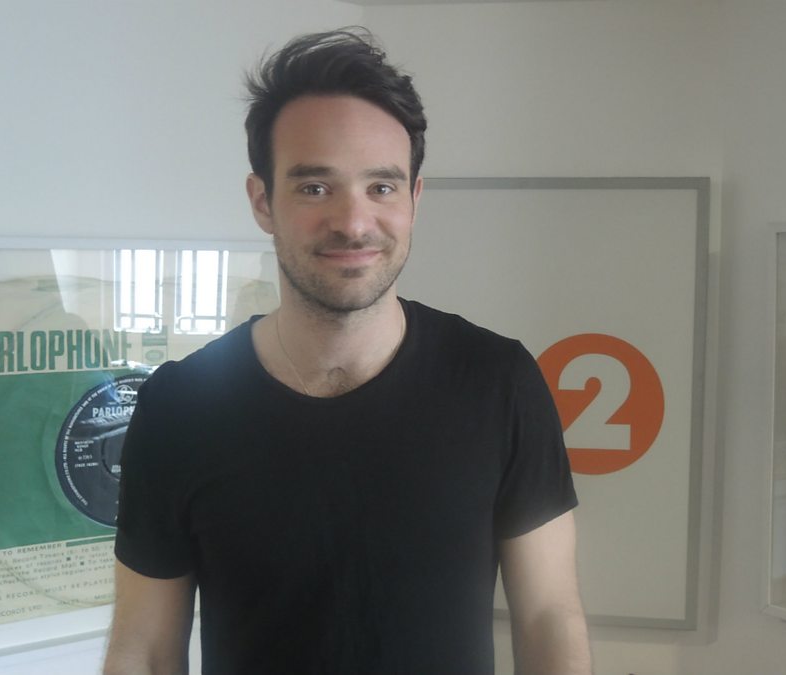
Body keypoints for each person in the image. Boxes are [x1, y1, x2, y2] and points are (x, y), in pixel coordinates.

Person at [103, 28, 590, 675]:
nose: (354, 223)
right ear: (262, 201)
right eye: (315, 187)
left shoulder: (498, 382)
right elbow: (143, 646)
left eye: (381, 187)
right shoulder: (179, 406)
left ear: (414, 199)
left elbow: (549, 616)